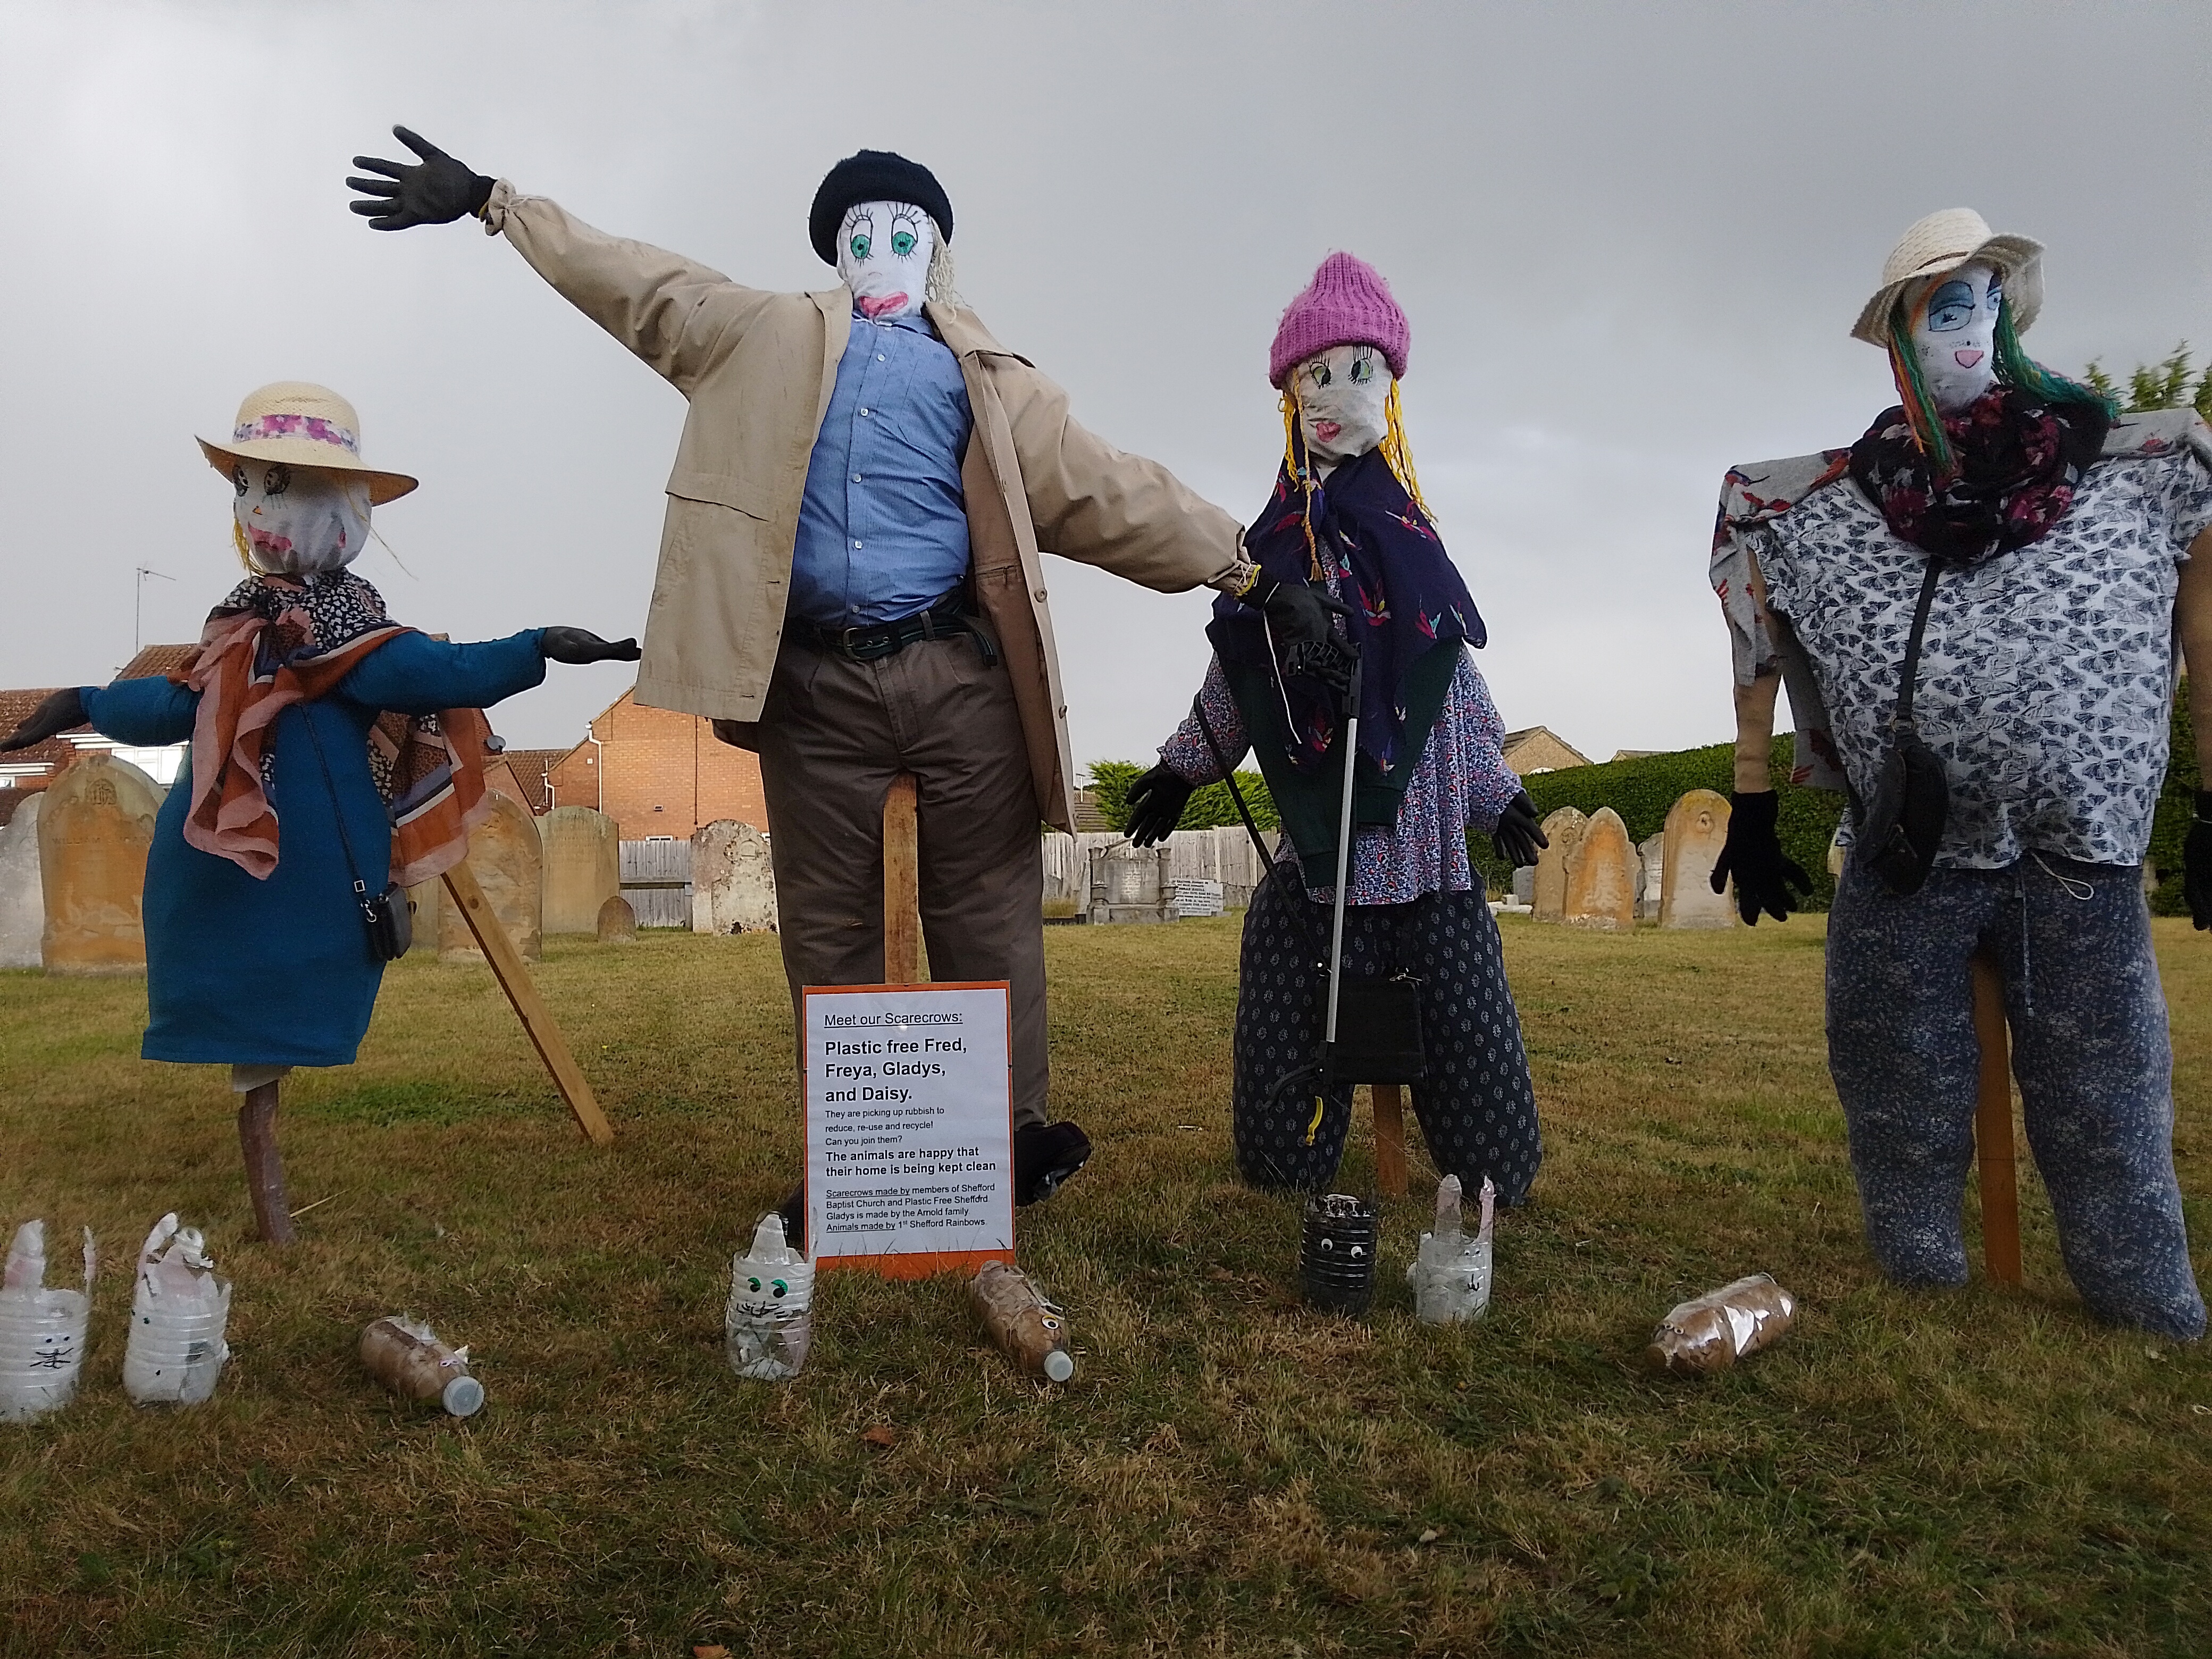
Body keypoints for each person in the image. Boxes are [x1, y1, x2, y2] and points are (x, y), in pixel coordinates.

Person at [342, 129, 1336, 1229]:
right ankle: (857, 1159)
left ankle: (1007, 1140)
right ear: (834, 249)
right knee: (828, 929)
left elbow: (1110, 490)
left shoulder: (992, 380)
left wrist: (1251, 570)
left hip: (959, 675)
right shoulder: (755, 333)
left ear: (936, 251)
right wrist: (495, 203)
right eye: (859, 232)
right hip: (812, 686)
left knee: (990, 913)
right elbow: (635, 281)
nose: (882, 246)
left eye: (904, 231)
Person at [1707, 209, 2212, 1338]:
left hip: (2075, 842)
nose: (1962, 324)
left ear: (2005, 310)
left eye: (1976, 297)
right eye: (1936, 305)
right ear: (1899, 331)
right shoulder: (1838, 502)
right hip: (1907, 847)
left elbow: (2201, 612)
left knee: (2106, 1085)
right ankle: (1917, 1253)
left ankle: (2142, 1287)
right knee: (1893, 1063)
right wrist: (1752, 802)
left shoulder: (2126, 472)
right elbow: (1752, 603)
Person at [1, 382, 639, 1244]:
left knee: (294, 998)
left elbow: (438, 676)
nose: (258, 508)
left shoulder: (355, 637)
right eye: (247, 486)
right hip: (211, 865)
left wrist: (537, 650)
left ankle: (271, 1187)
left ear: (339, 506)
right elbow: (178, 703)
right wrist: (78, 703)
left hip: (311, 873)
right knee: (235, 1010)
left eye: (280, 487)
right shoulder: (236, 632)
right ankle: (267, 1189)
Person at [1126, 254, 1547, 1199]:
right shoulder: (1269, 551)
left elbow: (1451, 690)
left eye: (1363, 371)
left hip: (1432, 864)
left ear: (1390, 387)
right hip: (1326, 872)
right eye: (1320, 373)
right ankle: (1290, 1158)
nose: (1340, 394)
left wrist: (1503, 795)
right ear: (1289, 390)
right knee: (1288, 1051)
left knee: (1481, 1100)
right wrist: (1179, 767)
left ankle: (1487, 1169)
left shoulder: (1414, 542)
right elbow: (1242, 674)